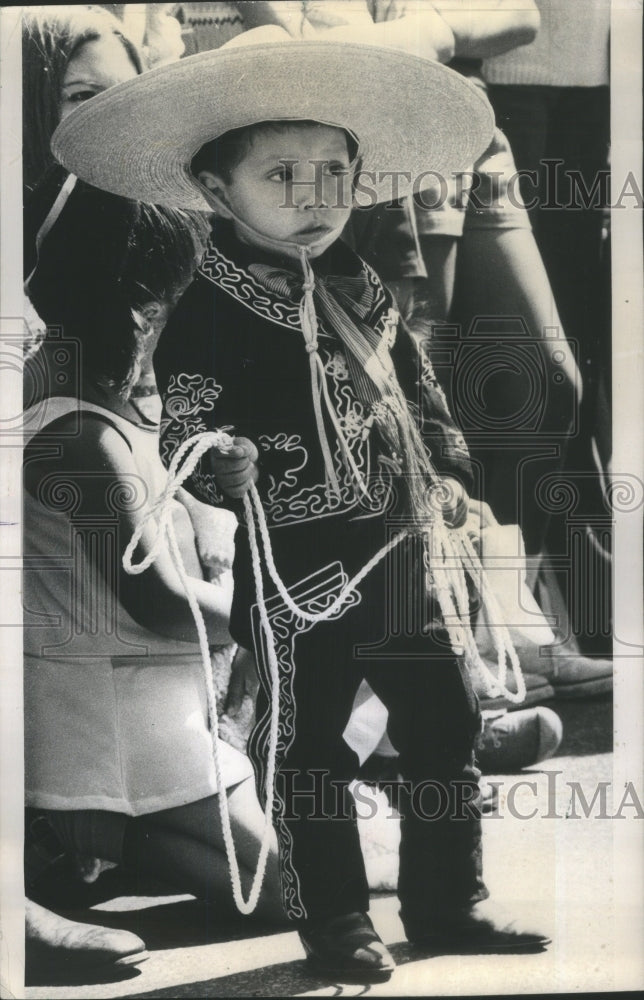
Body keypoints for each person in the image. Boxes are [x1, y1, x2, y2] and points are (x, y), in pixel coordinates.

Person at [52, 29, 551, 979]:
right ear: (215, 190)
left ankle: (450, 903)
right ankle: (338, 923)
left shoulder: (363, 278)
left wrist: (450, 478)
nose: (315, 199)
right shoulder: (203, 301)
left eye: (334, 174)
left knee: (443, 727)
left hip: (400, 556)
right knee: (310, 750)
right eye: (282, 176)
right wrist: (219, 468)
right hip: (297, 577)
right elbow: (188, 426)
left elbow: (416, 391)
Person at [22, 170, 286, 985]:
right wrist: (259, 612)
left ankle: (105, 839)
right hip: (108, 712)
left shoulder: (118, 404)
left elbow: (179, 511)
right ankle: (102, 826)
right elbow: (156, 596)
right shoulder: (75, 435)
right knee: (284, 888)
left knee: (274, 867)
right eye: (177, 298)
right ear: (142, 305)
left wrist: (226, 480)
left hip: (157, 697)